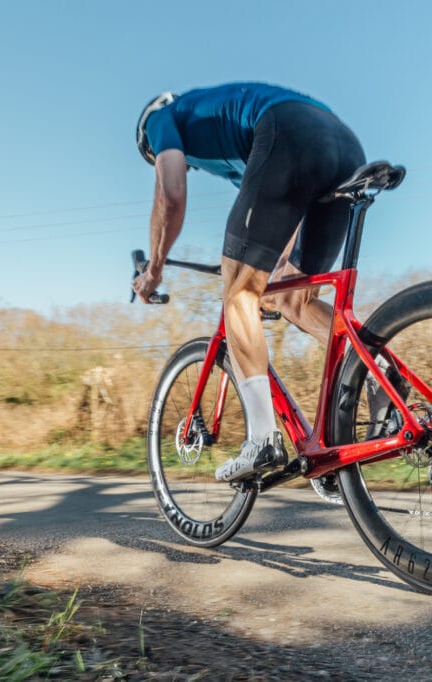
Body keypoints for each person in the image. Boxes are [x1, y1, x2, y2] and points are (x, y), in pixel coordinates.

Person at [131, 82, 367, 482]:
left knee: (238, 294)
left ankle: (262, 439)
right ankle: (379, 376)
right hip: (344, 144)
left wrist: (153, 270)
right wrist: (274, 272)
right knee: (294, 300)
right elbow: (278, 209)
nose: (185, 164)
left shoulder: (160, 118)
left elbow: (170, 195)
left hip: (288, 130)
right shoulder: (235, 150)